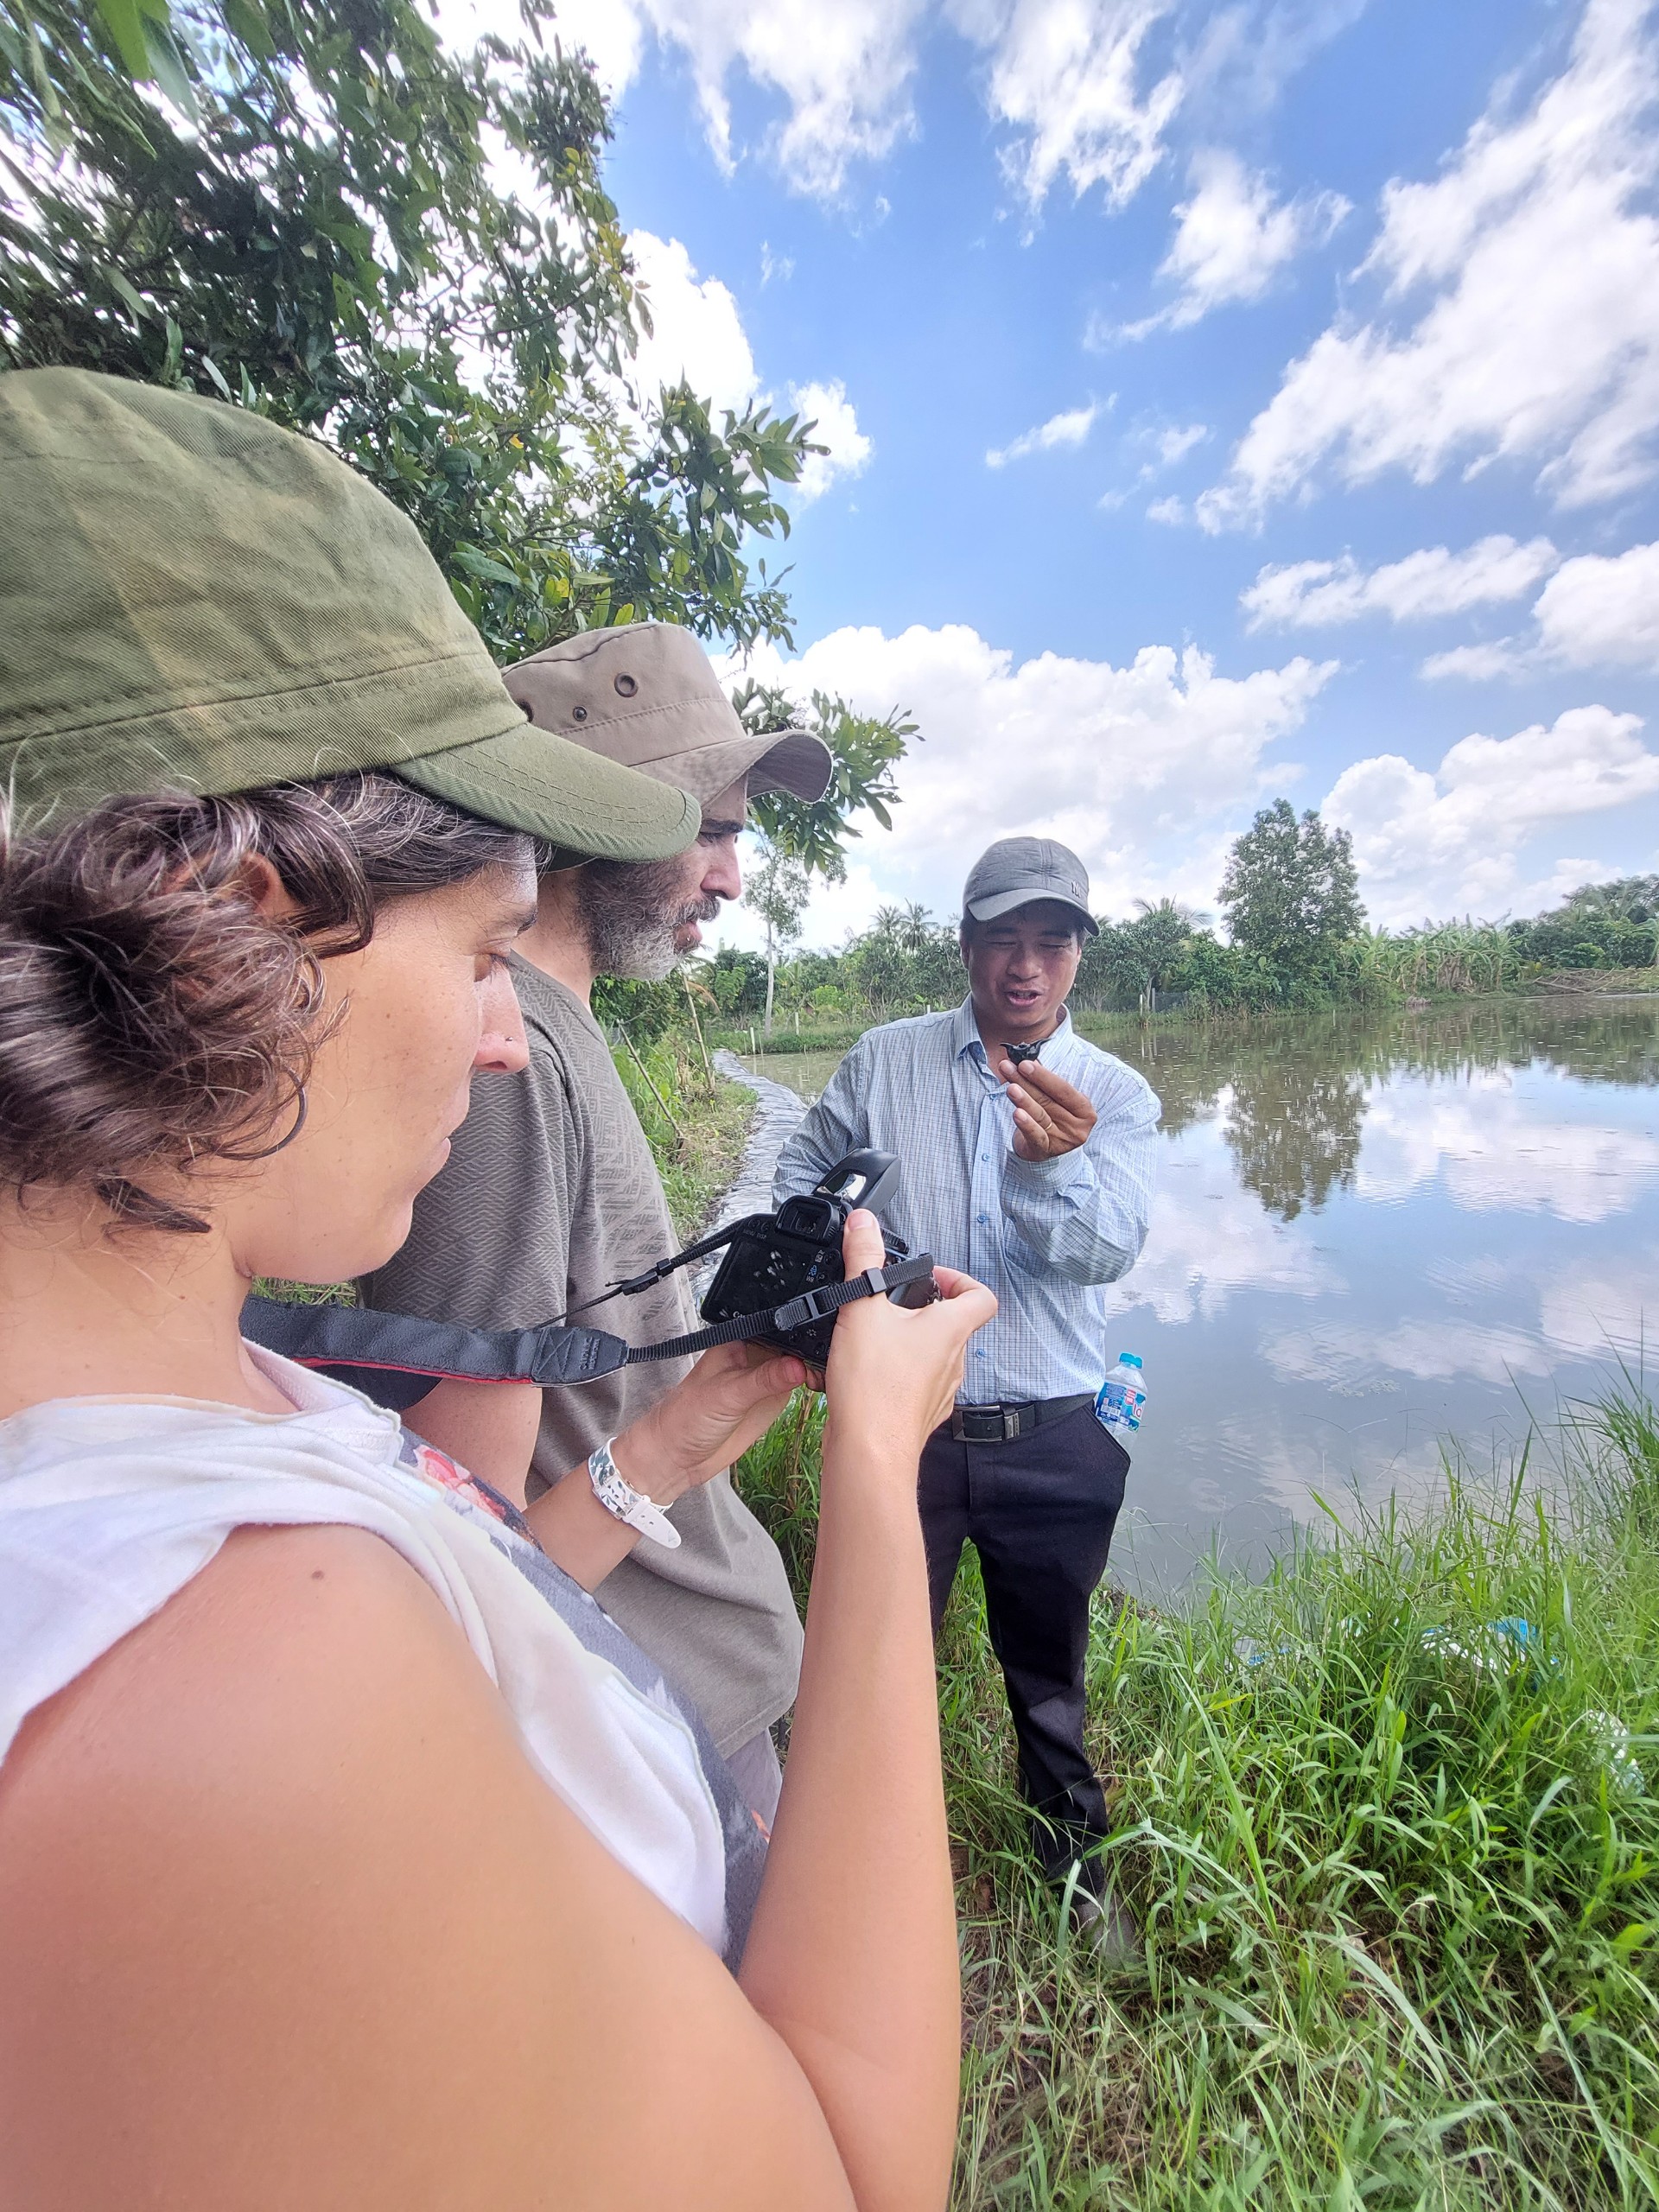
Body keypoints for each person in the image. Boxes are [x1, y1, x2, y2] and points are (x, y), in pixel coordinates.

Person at [0, 367, 996, 2209]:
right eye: (472, 947)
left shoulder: (192, 1408)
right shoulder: (239, 1692)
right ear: (233, 918)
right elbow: (852, 2171)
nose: (494, 1036)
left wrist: (691, 1422)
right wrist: (875, 1460)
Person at [365, 624, 833, 1826]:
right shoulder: (505, 1060)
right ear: (605, 818)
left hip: (683, 1686)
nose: (732, 877)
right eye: (716, 830)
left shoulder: (555, 1026)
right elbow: (469, 1533)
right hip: (643, 1715)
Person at [774, 836, 1160, 1957]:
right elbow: (801, 1186)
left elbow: (1104, 1257)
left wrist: (1050, 1169)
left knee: (1049, 1674)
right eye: (1004, 939)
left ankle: (1077, 1872)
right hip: (911, 1432)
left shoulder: (1116, 1097)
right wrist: (838, 1273)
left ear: (1079, 955)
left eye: (1051, 941)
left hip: (1061, 1430)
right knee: (870, 1655)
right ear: (966, 946)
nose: (1026, 965)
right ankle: (851, 1891)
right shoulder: (883, 1062)